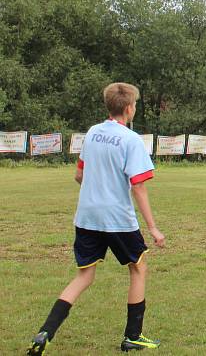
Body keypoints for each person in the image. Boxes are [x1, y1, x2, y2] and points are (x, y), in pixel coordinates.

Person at [27, 83, 166, 355]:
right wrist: (153, 227)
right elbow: (138, 185)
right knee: (138, 268)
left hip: (86, 216)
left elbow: (80, 175)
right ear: (128, 108)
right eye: (135, 104)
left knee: (84, 276)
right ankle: (133, 337)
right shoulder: (131, 140)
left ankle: (45, 332)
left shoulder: (92, 133)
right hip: (117, 218)